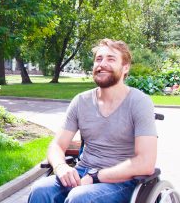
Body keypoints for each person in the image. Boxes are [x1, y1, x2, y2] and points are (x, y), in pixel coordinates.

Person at [28, 39, 157, 203]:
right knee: (40, 190)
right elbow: (57, 146)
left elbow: (145, 162)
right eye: (98, 59)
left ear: (125, 67)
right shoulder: (81, 101)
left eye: (111, 59)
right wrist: (61, 167)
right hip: (83, 171)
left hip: (122, 180)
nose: (102, 64)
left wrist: (96, 177)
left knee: (80, 198)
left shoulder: (139, 102)